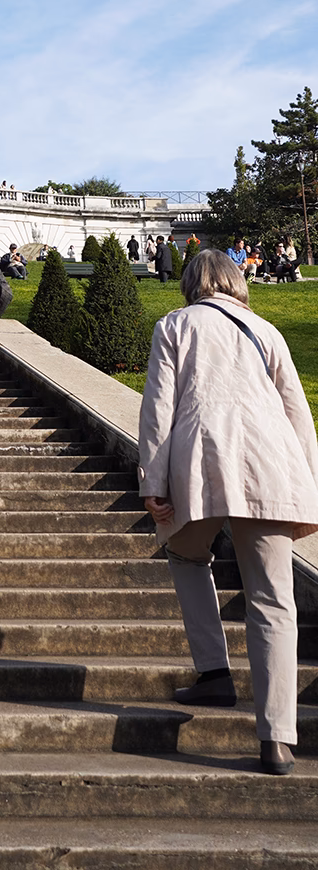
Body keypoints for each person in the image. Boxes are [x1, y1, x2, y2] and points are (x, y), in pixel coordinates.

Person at [139, 250, 318, 776]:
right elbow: (298, 414)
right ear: (237, 281)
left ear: (190, 283)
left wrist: (152, 479)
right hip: (269, 463)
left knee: (186, 555)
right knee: (273, 601)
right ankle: (277, 737)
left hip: (202, 460)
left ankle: (214, 671)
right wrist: (309, 483)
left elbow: (158, 407)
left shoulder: (174, 325)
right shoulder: (267, 331)